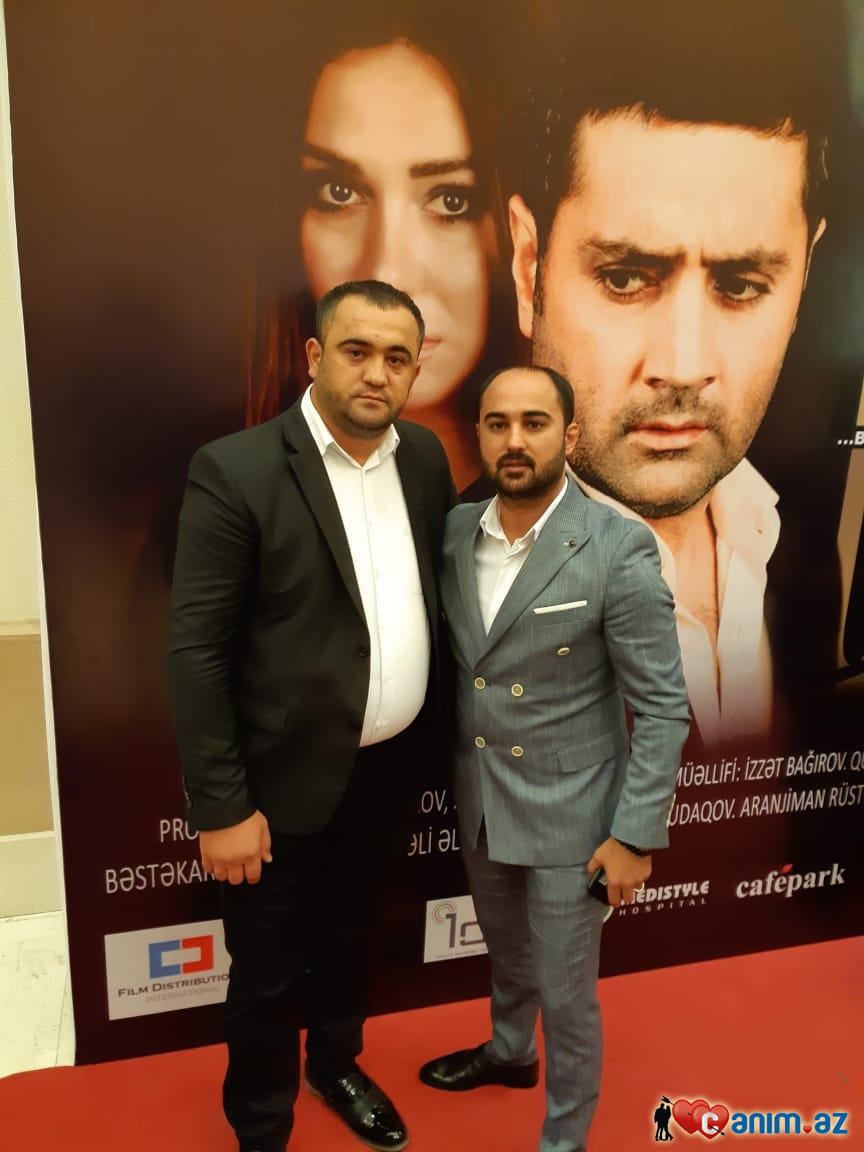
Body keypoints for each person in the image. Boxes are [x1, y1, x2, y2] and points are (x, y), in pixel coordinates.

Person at [167, 279, 455, 1152]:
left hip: (387, 769)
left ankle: (336, 1064)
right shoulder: (238, 468)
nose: (377, 373)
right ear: (315, 356)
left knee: (352, 939)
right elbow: (197, 652)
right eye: (357, 351)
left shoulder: (424, 458)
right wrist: (221, 806)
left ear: (415, 370)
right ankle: (262, 1128)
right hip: (276, 785)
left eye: (397, 358)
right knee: (263, 976)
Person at [506, 0, 831, 746]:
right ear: (529, 267)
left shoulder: (803, 556)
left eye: (741, 285)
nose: (683, 366)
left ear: (806, 275)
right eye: (625, 278)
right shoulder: (428, 603)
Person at [419, 366, 690, 1152]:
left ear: (568, 435)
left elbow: (664, 707)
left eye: (534, 423)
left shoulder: (616, 546)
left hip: (576, 818)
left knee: (568, 998)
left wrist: (634, 836)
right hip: (482, 799)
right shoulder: (453, 535)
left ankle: (564, 1140)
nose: (515, 440)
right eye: (498, 423)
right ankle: (510, 1053)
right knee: (508, 957)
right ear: (479, 433)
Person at [246, 0, 516, 492]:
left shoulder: (594, 518)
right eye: (338, 193)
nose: (388, 272)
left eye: (451, 200)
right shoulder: (228, 501)